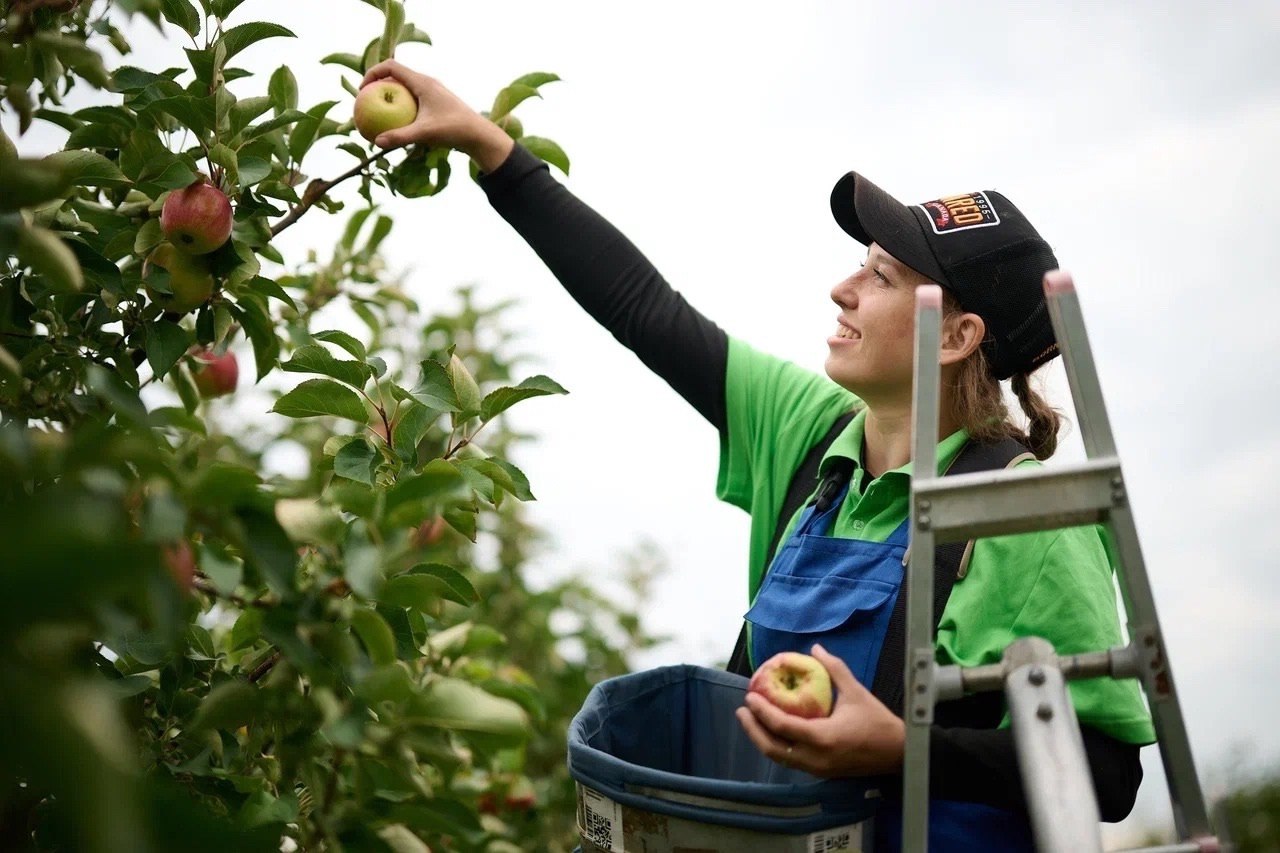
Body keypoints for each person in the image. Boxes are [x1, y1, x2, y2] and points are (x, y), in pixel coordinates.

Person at [361, 60, 1155, 851]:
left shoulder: (1025, 518)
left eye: (878, 274)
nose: (841, 289)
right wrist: (490, 147)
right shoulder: (815, 438)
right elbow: (644, 309)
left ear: (956, 337)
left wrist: (900, 747)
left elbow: (1110, 773)